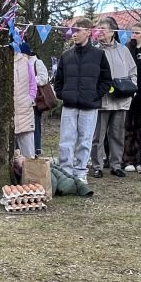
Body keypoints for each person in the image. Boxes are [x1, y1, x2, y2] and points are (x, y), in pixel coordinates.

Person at [53, 20, 113, 181]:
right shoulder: (66, 55)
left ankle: (80, 173)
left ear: (88, 31)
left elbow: (106, 80)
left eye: (78, 30)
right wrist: (63, 94)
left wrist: (95, 95)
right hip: (69, 106)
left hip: (89, 106)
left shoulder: (99, 55)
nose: (74, 34)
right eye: (73, 31)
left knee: (85, 141)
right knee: (66, 141)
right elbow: (58, 80)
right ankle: (65, 173)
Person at [90, 16, 137, 177]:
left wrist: (131, 89)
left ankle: (116, 165)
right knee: (98, 136)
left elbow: (133, 72)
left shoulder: (124, 50)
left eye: (102, 29)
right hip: (102, 100)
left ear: (112, 31)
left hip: (121, 100)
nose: (99, 32)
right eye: (98, 29)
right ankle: (97, 166)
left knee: (117, 134)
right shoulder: (94, 51)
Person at [121, 24, 141, 171]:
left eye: (137, 33)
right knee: (128, 127)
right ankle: (127, 160)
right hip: (129, 92)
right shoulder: (126, 49)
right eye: (132, 32)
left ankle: (140, 160)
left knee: (140, 129)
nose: (133, 35)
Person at [12, 46, 50, 159]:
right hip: (14, 107)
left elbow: (36, 81)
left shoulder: (31, 62)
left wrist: (30, 98)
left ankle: (36, 152)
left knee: (31, 135)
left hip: (28, 106)